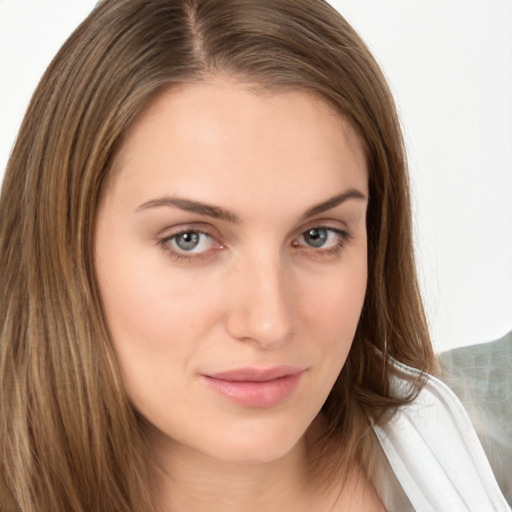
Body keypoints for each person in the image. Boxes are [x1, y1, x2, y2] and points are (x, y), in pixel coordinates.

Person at [0, 1, 508, 511]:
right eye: (190, 239)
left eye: (318, 236)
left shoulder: (486, 441)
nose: (270, 323)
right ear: (63, 246)